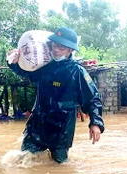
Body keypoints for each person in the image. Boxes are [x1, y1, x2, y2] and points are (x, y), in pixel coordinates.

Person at [6, 27, 105, 163]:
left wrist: (96, 123)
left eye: (62, 47)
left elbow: (93, 98)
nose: (57, 50)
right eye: (55, 45)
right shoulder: (44, 66)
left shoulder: (77, 72)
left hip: (61, 130)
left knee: (60, 167)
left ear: (70, 50)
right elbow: (28, 74)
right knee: (24, 161)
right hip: (37, 125)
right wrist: (13, 63)